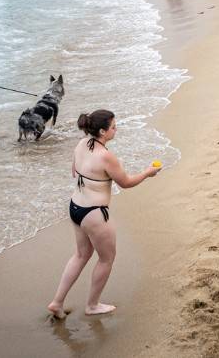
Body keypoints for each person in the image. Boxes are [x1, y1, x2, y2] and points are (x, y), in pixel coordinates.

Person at [47, 109, 161, 319]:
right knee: (107, 259)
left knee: (81, 255)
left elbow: (75, 171)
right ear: (102, 131)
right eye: (113, 127)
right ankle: (92, 305)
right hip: (95, 214)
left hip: (75, 207)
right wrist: (147, 172)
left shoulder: (81, 144)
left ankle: (57, 302)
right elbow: (125, 183)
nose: (116, 129)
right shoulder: (107, 157)